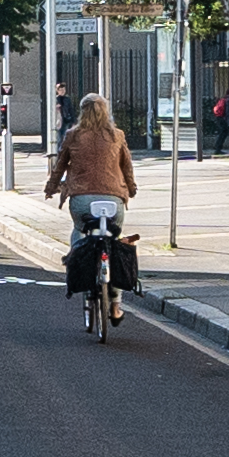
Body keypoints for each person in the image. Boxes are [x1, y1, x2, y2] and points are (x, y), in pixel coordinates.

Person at [48, 93, 140, 317]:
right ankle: (116, 304)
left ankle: (74, 261)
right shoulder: (117, 135)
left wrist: (50, 187)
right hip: (113, 200)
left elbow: (60, 165)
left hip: (82, 199)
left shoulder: (73, 135)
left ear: (82, 112)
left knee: (79, 231)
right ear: (105, 111)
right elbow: (127, 166)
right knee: (114, 243)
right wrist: (131, 187)